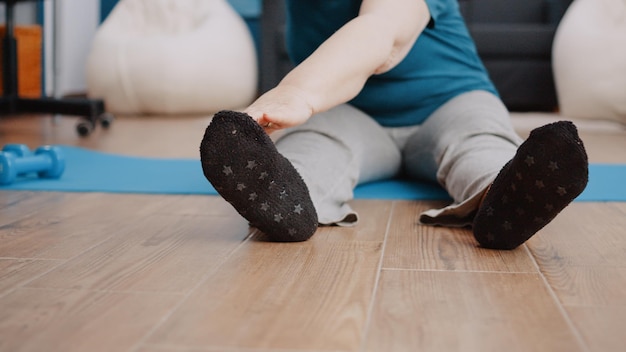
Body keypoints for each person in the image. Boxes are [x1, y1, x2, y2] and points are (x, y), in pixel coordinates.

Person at [200, 0, 588, 249]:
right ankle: (287, 198)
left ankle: (502, 196)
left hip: (450, 100)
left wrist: (298, 93)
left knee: (478, 141)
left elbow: (383, 35)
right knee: (314, 145)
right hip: (349, 111)